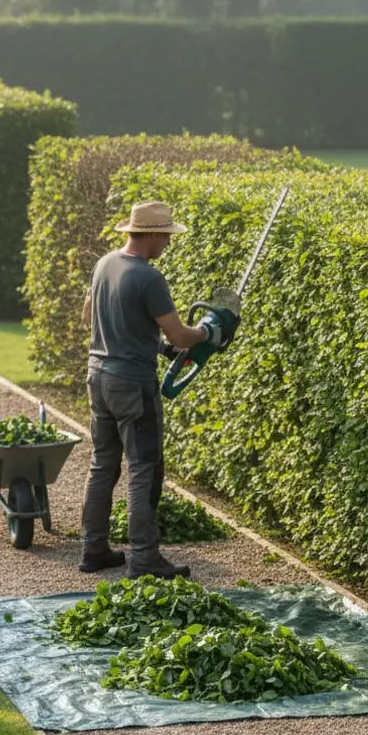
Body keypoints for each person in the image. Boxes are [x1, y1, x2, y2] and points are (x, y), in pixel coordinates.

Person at [77, 200, 233, 579]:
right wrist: (209, 332)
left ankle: (93, 549)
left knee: (103, 464)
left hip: (98, 376)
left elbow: (89, 317)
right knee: (144, 468)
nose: (167, 243)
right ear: (148, 234)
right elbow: (180, 334)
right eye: (164, 236)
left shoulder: (105, 264)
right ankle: (145, 558)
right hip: (132, 384)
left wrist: (154, 346)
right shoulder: (148, 277)